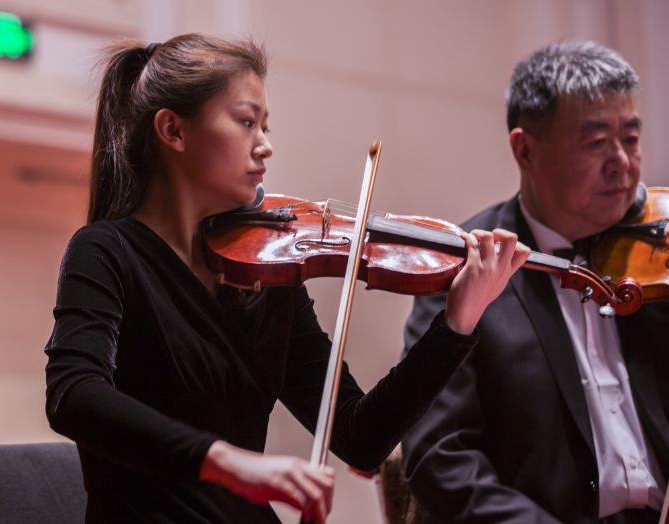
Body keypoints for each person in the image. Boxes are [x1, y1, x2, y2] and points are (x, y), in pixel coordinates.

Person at [44, 33, 528, 524]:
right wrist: (229, 464)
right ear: (173, 130)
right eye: (247, 122)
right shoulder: (106, 252)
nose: (266, 146)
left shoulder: (267, 277)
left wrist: (456, 323)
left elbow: (361, 439)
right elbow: (73, 395)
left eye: (265, 126)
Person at [401, 41, 669, 524]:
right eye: (596, 144)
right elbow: (439, 454)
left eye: (630, 140)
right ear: (525, 150)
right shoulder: (466, 272)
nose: (623, 164)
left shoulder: (660, 260)